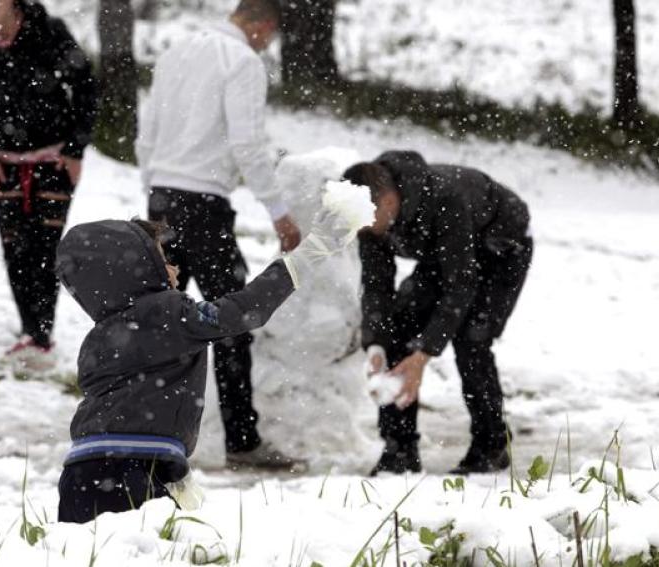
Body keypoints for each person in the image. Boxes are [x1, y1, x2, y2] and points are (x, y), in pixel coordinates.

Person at [54, 216, 352, 522]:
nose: (175, 267)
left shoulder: (98, 336)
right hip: (132, 471)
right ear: (135, 270)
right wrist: (309, 254)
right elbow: (242, 309)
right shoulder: (167, 314)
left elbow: (130, 409)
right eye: (163, 258)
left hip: (80, 472)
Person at [135, 0, 305, 470]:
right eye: (270, 36)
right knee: (232, 319)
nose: (267, 44)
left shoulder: (177, 51)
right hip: (205, 205)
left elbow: (147, 129)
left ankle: (137, 427)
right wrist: (279, 211)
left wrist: (154, 187)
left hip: (163, 199)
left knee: (155, 320)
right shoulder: (243, 62)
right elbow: (247, 143)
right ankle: (242, 440)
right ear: (262, 26)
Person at [343, 151, 533, 475]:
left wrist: (424, 354)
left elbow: (460, 286)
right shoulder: (367, 219)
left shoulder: (445, 198)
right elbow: (376, 286)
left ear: (388, 201)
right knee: (396, 327)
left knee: (472, 340)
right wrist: (375, 343)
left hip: (501, 249)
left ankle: (492, 445)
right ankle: (399, 450)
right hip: (447, 256)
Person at [0, 0, 97, 371]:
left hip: (54, 161)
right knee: (15, 248)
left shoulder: (49, 31)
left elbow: (86, 88)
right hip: (4, 164)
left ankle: (40, 335)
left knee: (45, 249)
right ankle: (31, 333)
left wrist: (76, 148)